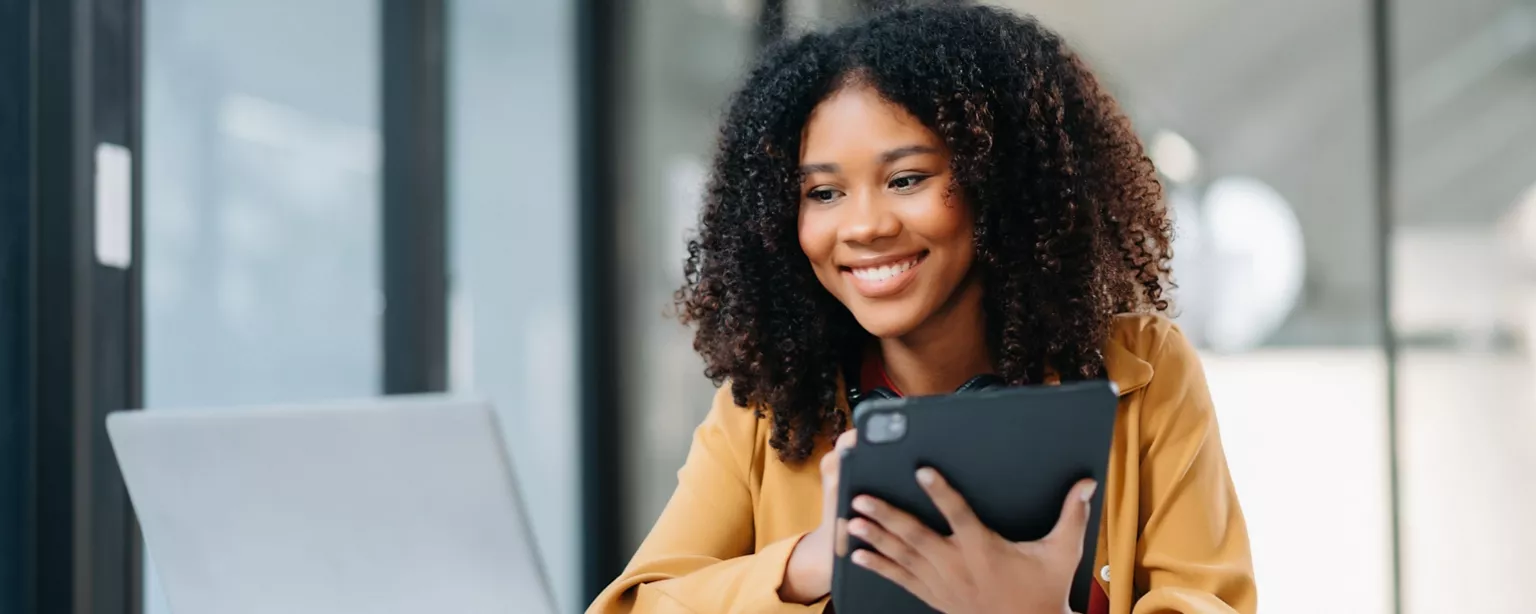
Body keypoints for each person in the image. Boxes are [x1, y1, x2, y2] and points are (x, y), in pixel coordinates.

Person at [588, 5, 1256, 614]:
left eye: (907, 179)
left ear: (995, 183)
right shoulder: (766, 405)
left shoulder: (1144, 371)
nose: (864, 226)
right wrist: (810, 561)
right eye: (823, 193)